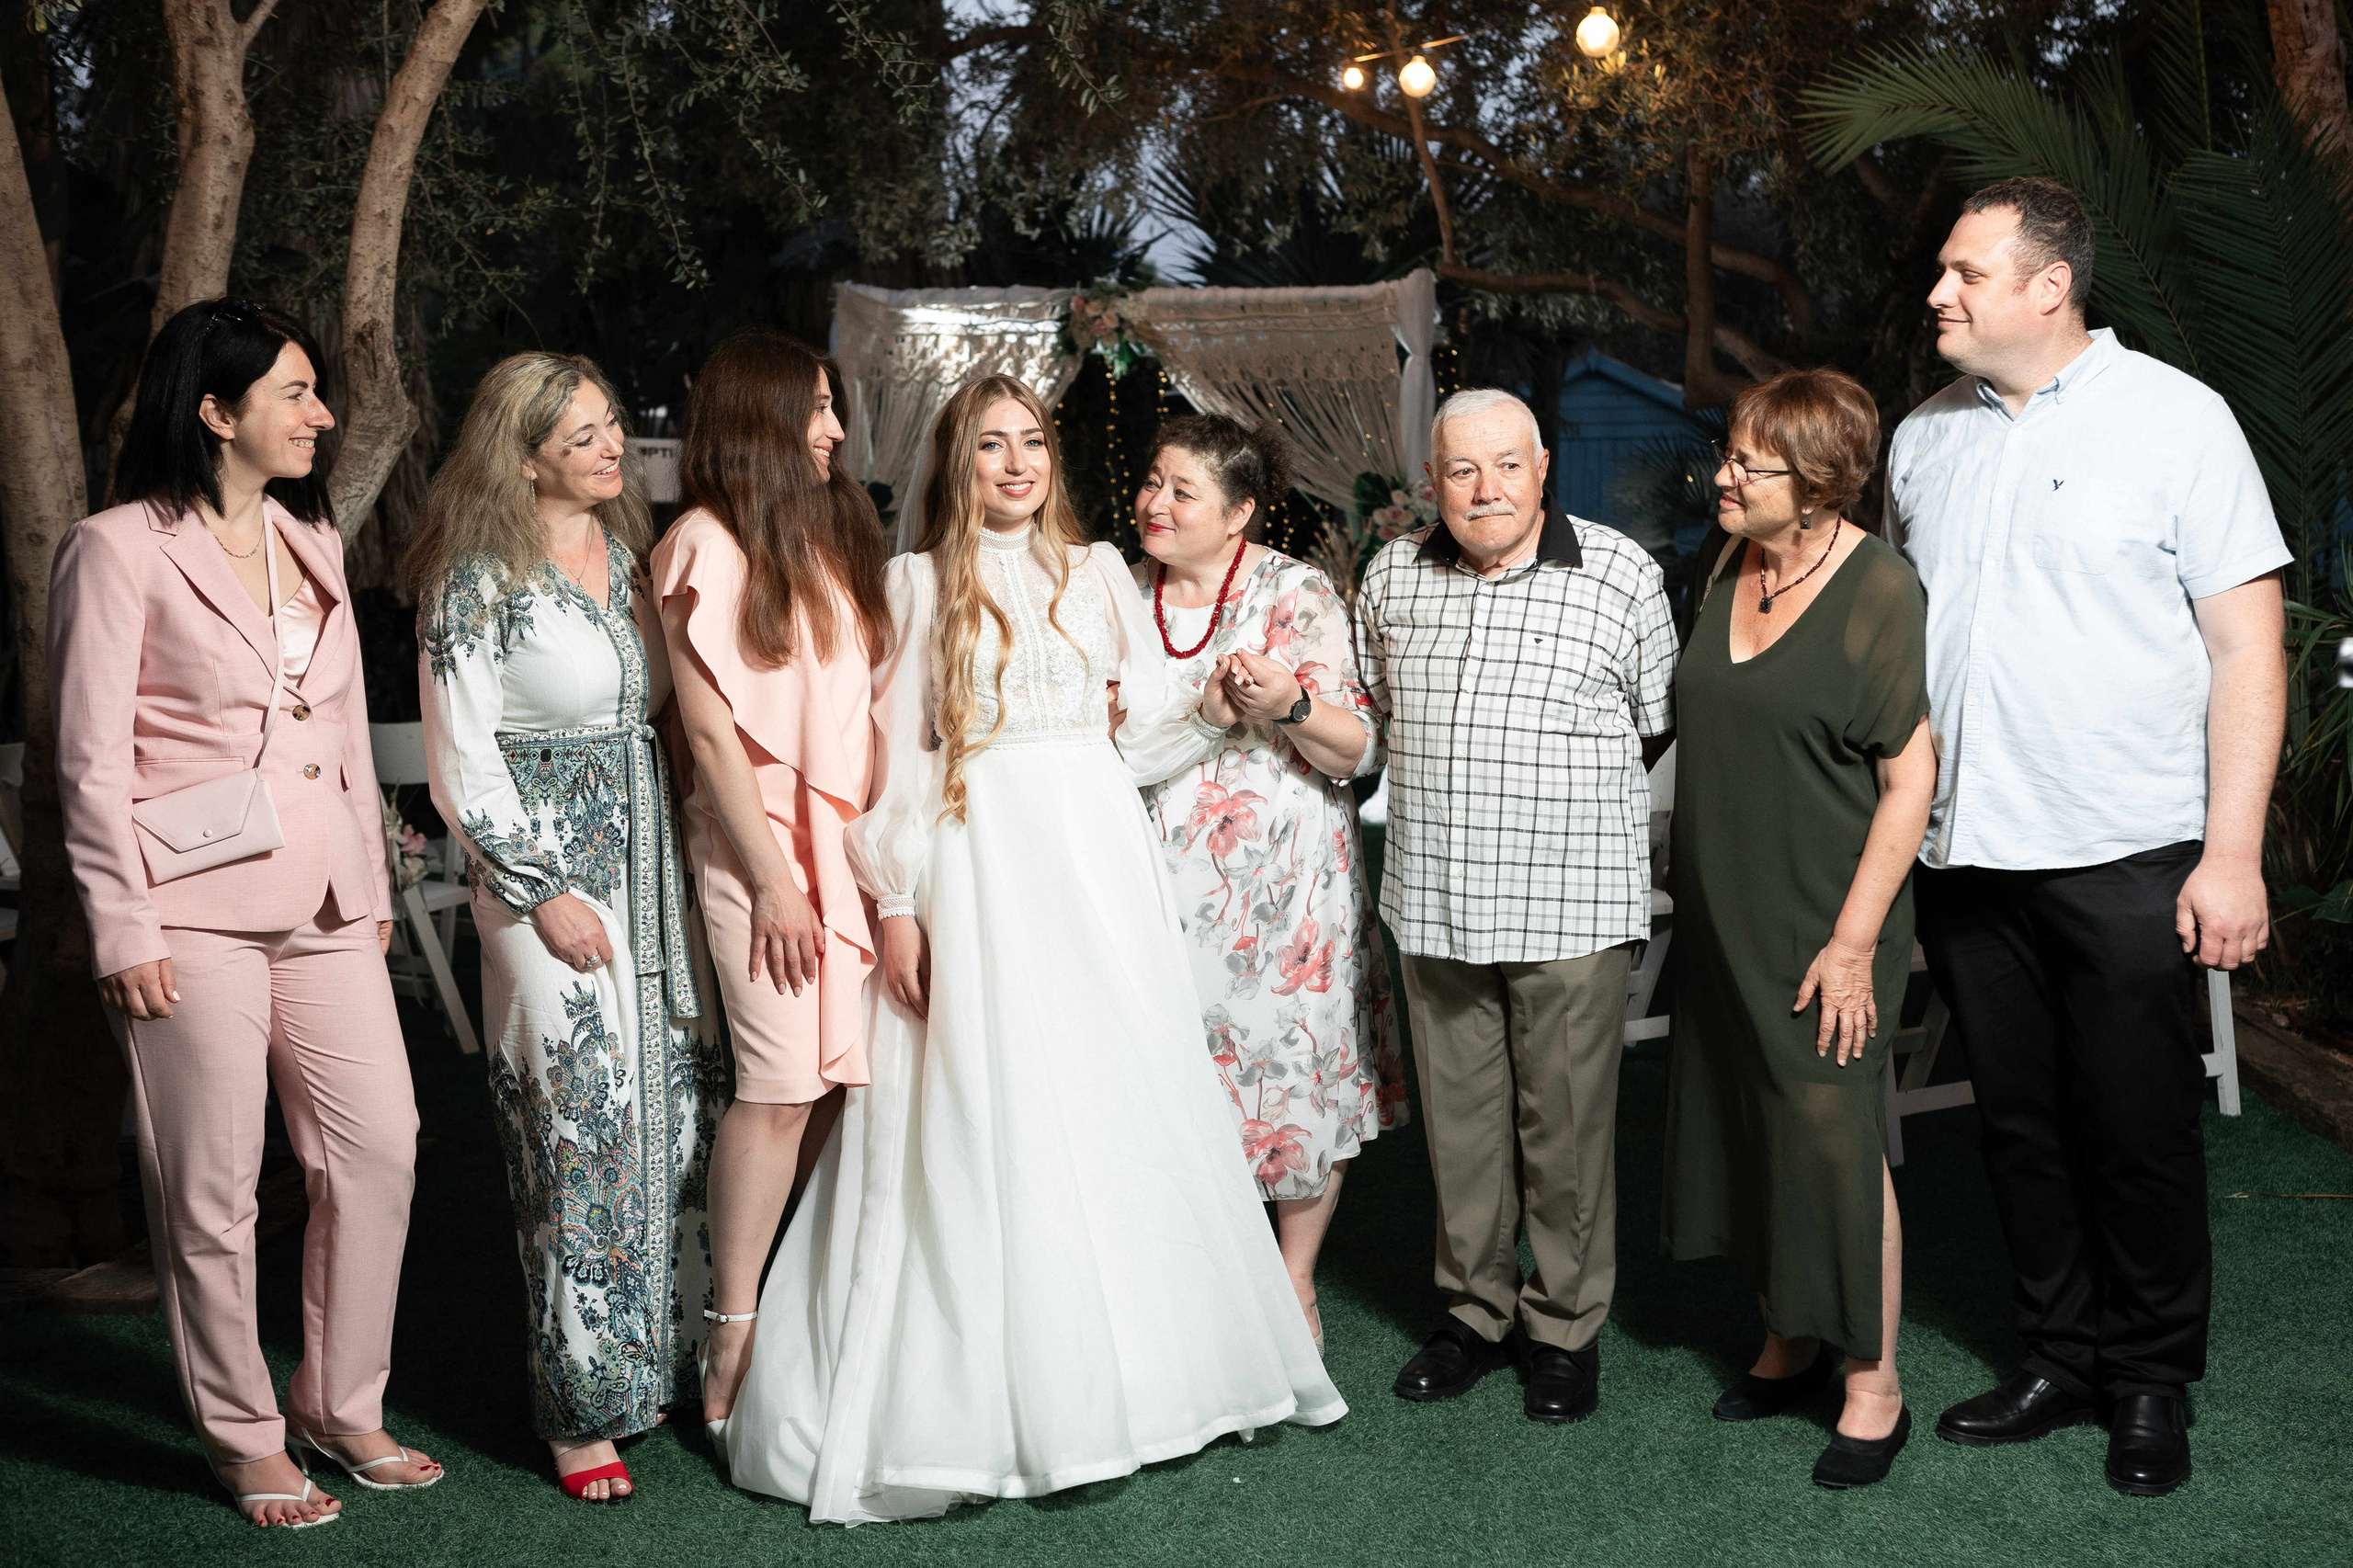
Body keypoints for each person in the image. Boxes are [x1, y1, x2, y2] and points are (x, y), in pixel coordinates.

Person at [715, 375, 1344, 1523]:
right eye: (990, 444)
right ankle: (984, 1394)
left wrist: (1214, 706)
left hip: (1098, 860)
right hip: (979, 863)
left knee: (1115, 1098)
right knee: (982, 1107)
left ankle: (1141, 1376)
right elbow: (895, 756)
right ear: (958, 462)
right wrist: (897, 900)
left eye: (1032, 441)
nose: (1016, 463)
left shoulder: (1099, 569)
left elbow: (1144, 731)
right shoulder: (910, 583)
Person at [1893, 177, 2290, 1497]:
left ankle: (2150, 1379)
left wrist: (2229, 853)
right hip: (1968, 849)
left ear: (2049, 284)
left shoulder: (2179, 421)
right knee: (2016, 1121)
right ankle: (2058, 1354)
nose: (1938, 292)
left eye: (1965, 271)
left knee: (2138, 1125)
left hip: (2127, 845)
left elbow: (2247, 645)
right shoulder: (1925, 437)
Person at [51, 298, 438, 1528]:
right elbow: (86, 759)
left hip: (325, 899)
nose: (321, 414)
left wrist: (369, 885)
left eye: (317, 392)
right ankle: (242, 1433)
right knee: (211, 1185)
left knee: (380, 1144)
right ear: (216, 412)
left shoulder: (311, 536)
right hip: (186, 911)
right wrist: (125, 926)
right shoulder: (116, 548)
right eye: (296, 394)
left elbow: (331, 735)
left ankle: (342, 1399)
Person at [415, 352, 726, 1503]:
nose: (611, 449)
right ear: (526, 449)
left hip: (650, 879)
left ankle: (663, 1367)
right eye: (584, 434)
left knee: (673, 1117)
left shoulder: (633, 563)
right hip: (542, 884)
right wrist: (539, 886)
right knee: (576, 1124)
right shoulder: (473, 579)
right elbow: (460, 756)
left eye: (611, 428)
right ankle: (579, 1403)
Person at [1356, 387, 1677, 1425]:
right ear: (1432, 481)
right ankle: (1471, 1314)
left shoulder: (1621, 572)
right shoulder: (1393, 572)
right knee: (1461, 1130)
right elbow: (1373, 715)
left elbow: (1654, 729)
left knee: (1568, 1132)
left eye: (1505, 464)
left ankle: (1565, 1329)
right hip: (1438, 896)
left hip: (1571, 903)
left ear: (1543, 467)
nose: (1485, 488)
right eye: (1461, 470)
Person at [1661, 369, 1935, 1489]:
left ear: (1818, 487)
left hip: (1826, 907)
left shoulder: (1877, 588)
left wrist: (1855, 940)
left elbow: (1910, 776)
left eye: (1748, 464)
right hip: (1725, 893)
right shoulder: (1730, 559)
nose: (1722, 475)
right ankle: (1788, 1334)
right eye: (1727, 453)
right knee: (1750, 1120)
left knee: (1831, 1132)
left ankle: (1873, 1378)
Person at [648, 329, 890, 1434]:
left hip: (847, 847)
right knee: (780, 1081)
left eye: (834, 408)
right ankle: (732, 1319)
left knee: (842, 1083)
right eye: (817, 409)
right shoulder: (701, 540)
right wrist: (774, 879)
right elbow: (704, 726)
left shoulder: (827, 529)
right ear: (761, 417)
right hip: (760, 855)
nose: (835, 429)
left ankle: (795, 1308)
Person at [1129, 414, 1406, 1352]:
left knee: (1290, 1074)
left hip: (1285, 894)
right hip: (1150, 885)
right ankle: (1188, 1268)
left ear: (1240, 512)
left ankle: (1293, 1281)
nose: (1154, 504)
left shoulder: (1295, 592)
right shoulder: (1121, 595)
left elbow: (1357, 747)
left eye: (1181, 492)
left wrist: (1287, 703)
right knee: (1167, 1075)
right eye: (1152, 483)